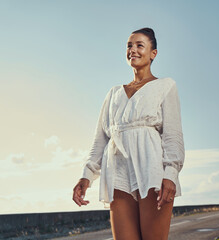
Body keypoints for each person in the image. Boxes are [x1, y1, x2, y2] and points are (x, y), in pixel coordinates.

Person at [72, 27, 185, 240]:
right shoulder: (113, 93)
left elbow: (173, 135)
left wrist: (170, 174)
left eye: (139, 45)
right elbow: (101, 139)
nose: (132, 50)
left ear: (153, 53)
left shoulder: (165, 86)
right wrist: (86, 176)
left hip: (152, 172)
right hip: (118, 172)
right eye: (129, 46)